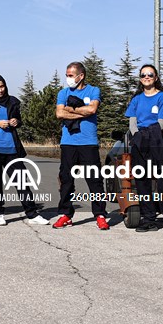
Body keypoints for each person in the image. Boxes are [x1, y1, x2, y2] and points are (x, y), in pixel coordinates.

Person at [0, 74, 49, 226]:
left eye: (2, 86)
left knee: (22, 182)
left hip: (12, 149)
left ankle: (32, 213)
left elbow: (19, 120)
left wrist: (16, 122)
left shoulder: (13, 102)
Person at [124, 64, 163, 234]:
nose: (147, 77)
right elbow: (132, 122)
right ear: (140, 78)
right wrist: (138, 137)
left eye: (150, 74)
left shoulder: (162, 97)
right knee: (142, 182)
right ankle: (149, 219)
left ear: (156, 78)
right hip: (140, 143)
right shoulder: (136, 99)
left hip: (158, 142)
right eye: (143, 74)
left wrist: (149, 136)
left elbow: (161, 122)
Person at [53, 61, 109, 230]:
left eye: (70, 75)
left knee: (94, 180)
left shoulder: (93, 90)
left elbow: (92, 110)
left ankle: (100, 215)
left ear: (81, 76)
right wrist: (80, 110)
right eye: (67, 75)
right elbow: (59, 113)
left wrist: (70, 110)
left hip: (88, 143)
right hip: (68, 143)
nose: (68, 78)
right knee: (66, 180)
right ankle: (65, 215)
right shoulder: (63, 92)